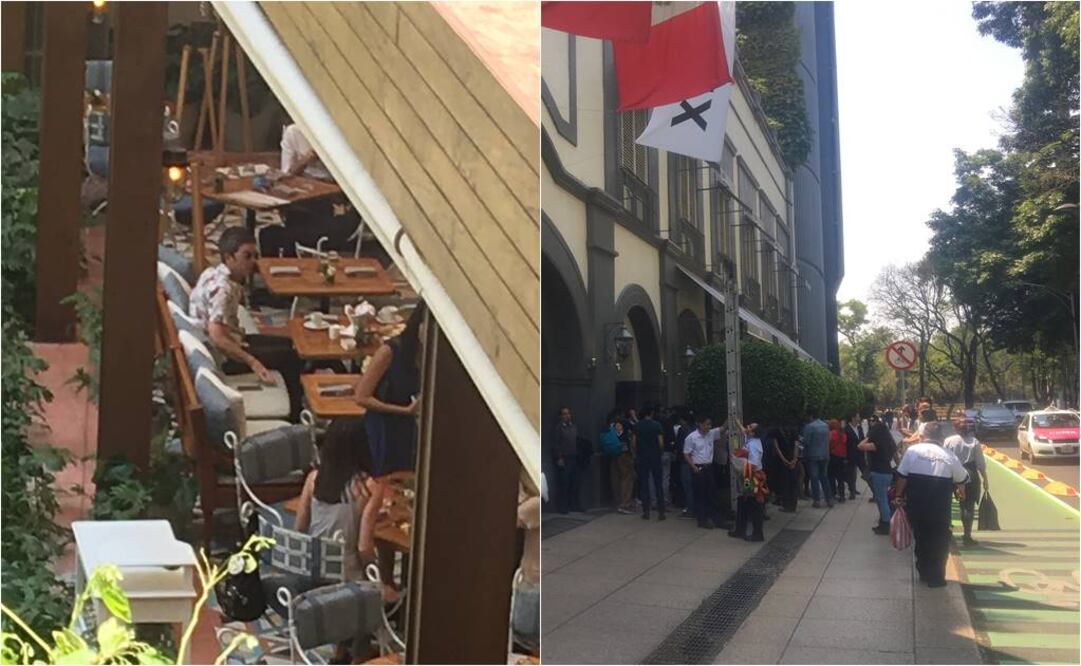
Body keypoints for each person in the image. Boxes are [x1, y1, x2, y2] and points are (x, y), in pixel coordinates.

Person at [293, 417, 385, 662]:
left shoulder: (314, 479)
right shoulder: (369, 487)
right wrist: (380, 577)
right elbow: (364, 547)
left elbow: (300, 526)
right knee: (373, 586)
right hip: (345, 581)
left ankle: (340, 651)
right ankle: (359, 656)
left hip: (311, 575)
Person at [189, 226, 304, 420]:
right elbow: (217, 337)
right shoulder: (223, 291)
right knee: (291, 358)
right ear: (229, 257)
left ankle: (297, 402)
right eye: (247, 256)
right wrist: (253, 362)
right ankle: (295, 417)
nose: (253, 262)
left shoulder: (211, 272)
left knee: (293, 345)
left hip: (236, 338)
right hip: (226, 358)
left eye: (255, 255)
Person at [354, 303, 425, 564]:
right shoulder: (390, 351)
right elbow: (361, 396)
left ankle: (401, 562)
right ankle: (369, 554)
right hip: (383, 426)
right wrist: (401, 410)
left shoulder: (429, 357)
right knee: (381, 490)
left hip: (409, 427)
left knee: (402, 495)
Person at [893, 421, 969, 588]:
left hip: (916, 506)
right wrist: (962, 495)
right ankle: (936, 577)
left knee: (921, 538)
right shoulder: (949, 456)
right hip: (940, 510)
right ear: (941, 438)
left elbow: (902, 477)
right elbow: (962, 479)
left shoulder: (912, 451)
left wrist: (898, 495)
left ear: (922, 436)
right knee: (939, 542)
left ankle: (923, 570)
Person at [943, 414, 989, 546]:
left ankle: (946, 532)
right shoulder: (974, 442)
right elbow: (980, 464)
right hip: (970, 474)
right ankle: (967, 536)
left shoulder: (949, 441)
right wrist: (985, 479)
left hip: (951, 473)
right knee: (968, 506)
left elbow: (945, 458)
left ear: (955, 428)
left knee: (947, 504)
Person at [683, 415, 731, 530]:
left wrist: (730, 417)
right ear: (700, 424)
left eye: (710, 424)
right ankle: (702, 520)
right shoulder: (691, 437)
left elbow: (723, 428)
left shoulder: (711, 434)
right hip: (698, 467)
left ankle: (717, 519)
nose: (709, 426)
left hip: (709, 467)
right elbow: (686, 454)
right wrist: (693, 467)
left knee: (712, 493)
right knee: (701, 495)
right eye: (707, 424)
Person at [858, 421, 899, 534]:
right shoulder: (890, 443)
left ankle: (886, 524)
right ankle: (884, 521)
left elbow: (860, 446)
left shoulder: (875, 444)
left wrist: (868, 437)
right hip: (888, 473)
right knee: (883, 499)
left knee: (882, 500)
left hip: (878, 473)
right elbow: (897, 459)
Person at [730, 423, 768, 541]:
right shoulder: (751, 440)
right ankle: (740, 529)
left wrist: (746, 482)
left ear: (752, 433)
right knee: (743, 501)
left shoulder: (753, 445)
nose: (746, 427)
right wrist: (736, 421)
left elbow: (753, 465)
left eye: (750, 427)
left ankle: (757, 533)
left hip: (750, 476)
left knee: (753, 503)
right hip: (748, 475)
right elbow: (743, 431)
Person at [634, 406, 666, 520]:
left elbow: (633, 442)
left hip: (642, 457)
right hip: (655, 457)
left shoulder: (637, 426)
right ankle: (661, 512)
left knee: (644, 484)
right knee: (658, 484)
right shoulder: (657, 425)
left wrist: (636, 454)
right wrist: (659, 452)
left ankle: (646, 511)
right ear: (652, 413)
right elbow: (661, 442)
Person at [551, 406, 581, 514]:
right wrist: (559, 457)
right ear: (560, 416)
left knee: (574, 483)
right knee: (564, 484)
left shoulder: (573, 426)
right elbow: (556, 444)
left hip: (574, 458)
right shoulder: (558, 428)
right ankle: (562, 507)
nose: (567, 416)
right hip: (564, 458)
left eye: (568, 413)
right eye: (564, 414)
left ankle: (574, 505)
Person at [800, 411, 831, 508]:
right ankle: (829, 499)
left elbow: (806, 441)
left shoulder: (809, 427)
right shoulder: (825, 426)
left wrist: (801, 440)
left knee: (814, 478)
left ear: (811, 416)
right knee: (824, 477)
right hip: (825, 454)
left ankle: (817, 500)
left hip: (813, 455)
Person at [768, 427, 799, 512]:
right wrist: (794, 460)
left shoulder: (777, 430)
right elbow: (796, 445)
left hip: (782, 462)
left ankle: (787, 505)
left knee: (785, 483)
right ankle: (793, 505)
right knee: (793, 483)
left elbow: (777, 447)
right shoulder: (793, 430)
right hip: (793, 460)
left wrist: (784, 460)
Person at [610, 418, 636, 514]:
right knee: (627, 479)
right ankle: (625, 503)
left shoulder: (612, 433)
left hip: (614, 456)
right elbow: (632, 444)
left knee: (617, 478)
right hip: (625, 456)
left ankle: (619, 501)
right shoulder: (626, 433)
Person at [843, 413, 866, 500]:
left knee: (865, 472)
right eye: (858, 416)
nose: (859, 418)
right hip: (850, 455)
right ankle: (852, 491)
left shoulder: (859, 428)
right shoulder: (846, 429)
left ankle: (874, 492)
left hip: (860, 454)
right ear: (853, 418)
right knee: (851, 474)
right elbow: (845, 444)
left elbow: (862, 439)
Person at [827, 419, 848, 503]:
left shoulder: (831, 433)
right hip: (842, 457)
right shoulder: (843, 434)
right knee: (840, 478)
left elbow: (829, 443)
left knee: (831, 476)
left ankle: (833, 493)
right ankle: (842, 495)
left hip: (833, 457)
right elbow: (845, 442)